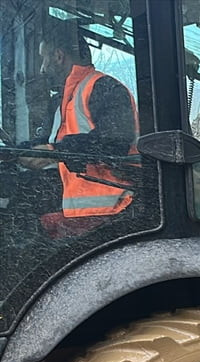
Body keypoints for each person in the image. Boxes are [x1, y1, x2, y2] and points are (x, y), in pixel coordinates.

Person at [20, 20, 138, 238]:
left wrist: (53, 153)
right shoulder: (63, 102)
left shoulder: (104, 88)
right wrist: (17, 153)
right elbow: (49, 143)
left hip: (116, 213)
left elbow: (114, 143)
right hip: (80, 214)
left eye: (43, 59)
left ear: (58, 56)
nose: (41, 68)